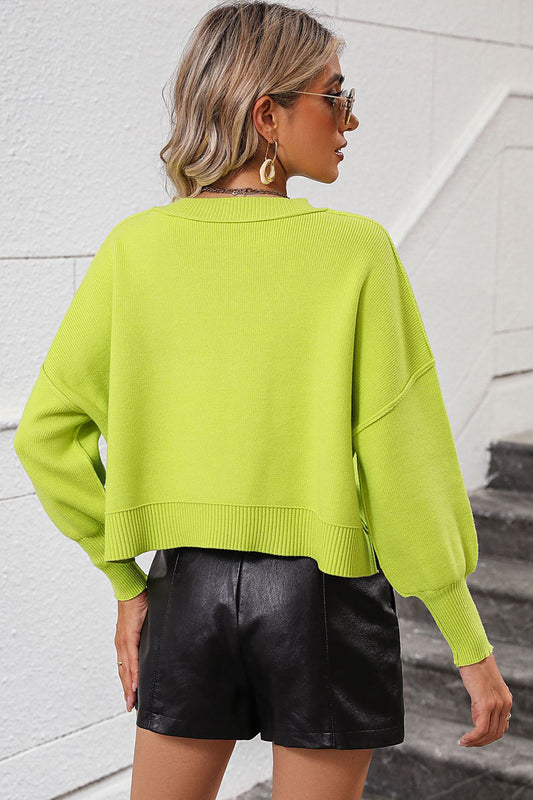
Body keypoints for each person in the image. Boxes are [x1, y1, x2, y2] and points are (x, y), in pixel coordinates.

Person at [13, 2, 513, 799]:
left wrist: (127, 581)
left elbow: (45, 434)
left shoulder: (135, 248)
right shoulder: (355, 252)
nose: (350, 119)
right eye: (335, 95)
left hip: (184, 593)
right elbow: (401, 458)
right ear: (266, 115)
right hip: (326, 602)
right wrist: (468, 643)